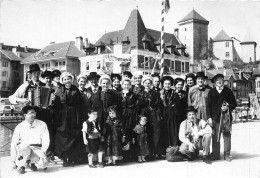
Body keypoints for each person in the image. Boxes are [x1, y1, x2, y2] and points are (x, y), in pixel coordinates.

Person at [53, 72, 83, 167]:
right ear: (62, 81)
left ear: (71, 79)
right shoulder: (59, 90)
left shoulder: (76, 89)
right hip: (63, 116)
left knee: (73, 135)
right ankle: (64, 158)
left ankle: (71, 158)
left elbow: (80, 103)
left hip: (74, 115)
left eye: (69, 79)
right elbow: (56, 105)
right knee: (63, 135)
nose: (67, 81)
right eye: (65, 79)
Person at [11, 105, 50, 174]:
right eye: (31, 113)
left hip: (37, 148)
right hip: (25, 149)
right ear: (25, 115)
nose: (33, 115)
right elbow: (13, 143)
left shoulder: (42, 124)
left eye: (34, 113)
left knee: (43, 164)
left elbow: (46, 140)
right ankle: (23, 165)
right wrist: (13, 161)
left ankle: (33, 162)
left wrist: (43, 152)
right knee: (25, 148)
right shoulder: (20, 126)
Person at [207, 73, 237, 162]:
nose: (219, 82)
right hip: (215, 118)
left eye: (221, 80)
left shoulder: (228, 91)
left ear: (223, 81)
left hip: (226, 118)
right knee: (215, 136)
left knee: (227, 136)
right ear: (215, 82)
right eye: (217, 80)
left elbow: (234, 104)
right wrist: (209, 117)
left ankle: (227, 155)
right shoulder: (211, 92)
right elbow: (208, 106)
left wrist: (228, 107)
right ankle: (216, 154)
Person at [138, 75, 162, 159]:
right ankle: (146, 153)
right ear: (143, 83)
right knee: (145, 133)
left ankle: (155, 152)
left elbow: (158, 104)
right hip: (144, 114)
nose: (147, 84)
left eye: (149, 83)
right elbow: (139, 105)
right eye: (145, 83)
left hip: (153, 114)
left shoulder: (155, 93)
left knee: (154, 133)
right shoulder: (140, 93)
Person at [119, 77, 139, 161]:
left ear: (130, 85)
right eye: (124, 84)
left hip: (131, 116)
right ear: (122, 85)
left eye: (128, 84)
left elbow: (136, 106)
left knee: (131, 133)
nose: (126, 86)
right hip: (122, 116)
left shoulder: (133, 95)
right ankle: (123, 155)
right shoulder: (119, 94)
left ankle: (131, 155)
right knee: (123, 133)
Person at [160, 76, 180, 152]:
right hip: (164, 114)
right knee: (165, 131)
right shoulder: (160, 93)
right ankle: (165, 149)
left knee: (173, 131)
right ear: (163, 84)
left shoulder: (175, 93)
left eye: (169, 84)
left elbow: (177, 104)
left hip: (172, 114)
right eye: (165, 84)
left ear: (171, 84)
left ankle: (174, 148)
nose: (167, 85)